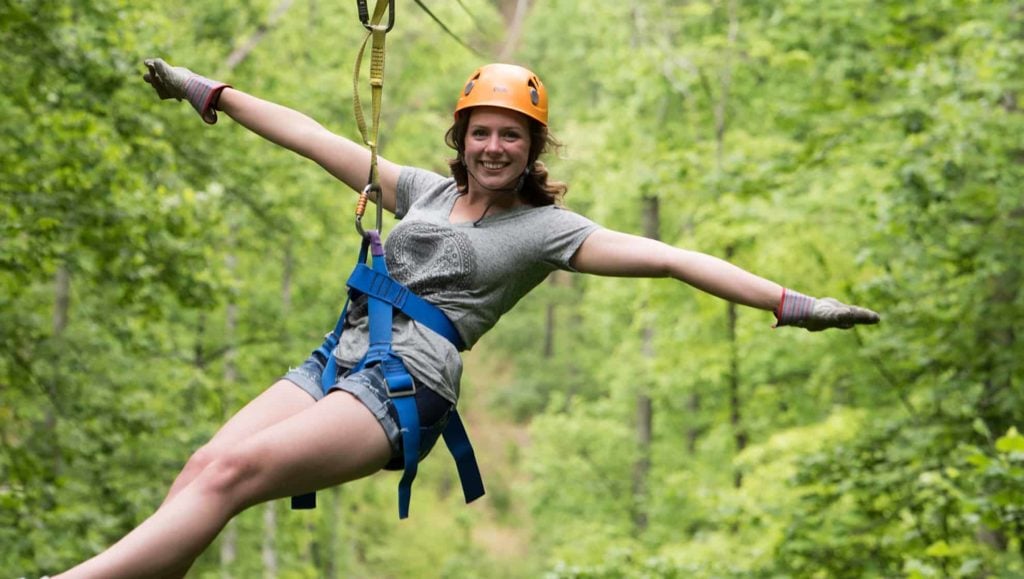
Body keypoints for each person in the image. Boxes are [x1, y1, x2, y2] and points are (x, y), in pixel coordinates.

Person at [56, 59, 879, 577]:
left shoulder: (549, 232)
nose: (493, 147)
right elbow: (309, 138)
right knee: (203, 465)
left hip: (406, 386)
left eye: (510, 136)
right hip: (335, 357)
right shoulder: (421, 189)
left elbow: (669, 257)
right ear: (462, 137)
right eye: (481, 132)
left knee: (233, 480)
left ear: (533, 148)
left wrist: (787, 301)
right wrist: (213, 93)